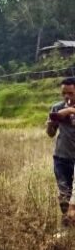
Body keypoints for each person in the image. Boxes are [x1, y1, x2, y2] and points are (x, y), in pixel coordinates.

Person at [46, 77, 75, 226]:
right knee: (64, 195)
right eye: (64, 93)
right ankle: (67, 226)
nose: (67, 97)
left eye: (70, 93)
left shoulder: (66, 109)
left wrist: (70, 111)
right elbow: (51, 133)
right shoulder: (56, 108)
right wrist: (51, 125)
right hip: (61, 157)